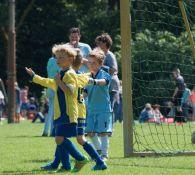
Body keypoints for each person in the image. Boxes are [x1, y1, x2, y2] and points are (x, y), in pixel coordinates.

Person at [25, 44, 89, 172]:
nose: (58, 60)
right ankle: (66, 166)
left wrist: (59, 82)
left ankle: (80, 158)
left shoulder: (70, 74)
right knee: (60, 139)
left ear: (71, 59)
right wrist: (34, 76)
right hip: (60, 114)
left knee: (59, 138)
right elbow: (48, 82)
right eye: (57, 57)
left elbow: (70, 91)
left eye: (61, 57)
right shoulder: (61, 73)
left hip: (68, 113)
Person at [85, 48, 112, 161]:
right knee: (90, 133)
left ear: (100, 64)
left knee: (103, 132)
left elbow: (103, 82)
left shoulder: (105, 74)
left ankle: (104, 155)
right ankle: (99, 152)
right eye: (89, 62)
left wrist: (93, 81)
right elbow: (85, 92)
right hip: (91, 109)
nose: (91, 65)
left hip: (103, 109)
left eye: (94, 63)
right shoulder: (86, 76)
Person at [95, 33, 121, 123]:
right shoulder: (100, 55)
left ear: (105, 43)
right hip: (104, 84)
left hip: (111, 85)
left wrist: (100, 67)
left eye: (99, 43)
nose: (97, 45)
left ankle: (109, 129)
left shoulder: (109, 55)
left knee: (109, 107)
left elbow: (114, 70)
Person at [42, 55, 60, 137]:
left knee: (50, 111)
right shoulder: (58, 62)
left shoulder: (50, 60)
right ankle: (52, 131)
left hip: (49, 87)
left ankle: (46, 131)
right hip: (56, 88)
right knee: (54, 111)